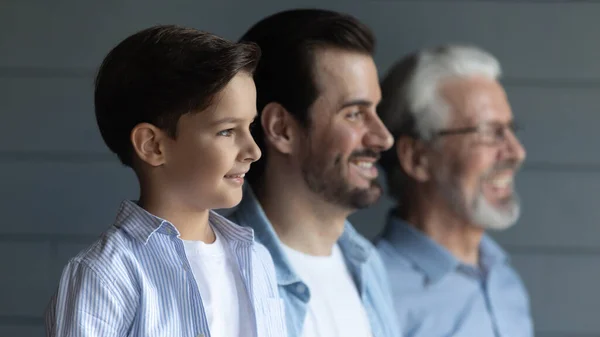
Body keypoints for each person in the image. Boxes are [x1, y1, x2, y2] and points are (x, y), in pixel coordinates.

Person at [44, 24, 286, 337]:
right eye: (227, 131)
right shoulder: (105, 274)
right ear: (153, 146)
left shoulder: (257, 258)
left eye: (249, 128)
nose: (253, 151)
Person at [228, 8, 401, 337]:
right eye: (354, 114)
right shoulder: (218, 275)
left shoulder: (367, 264)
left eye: (375, 111)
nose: (383, 137)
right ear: (281, 129)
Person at [375, 45, 534, 337]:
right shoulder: (373, 291)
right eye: (488, 132)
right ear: (417, 158)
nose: (517, 152)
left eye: (511, 129)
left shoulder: (504, 279)